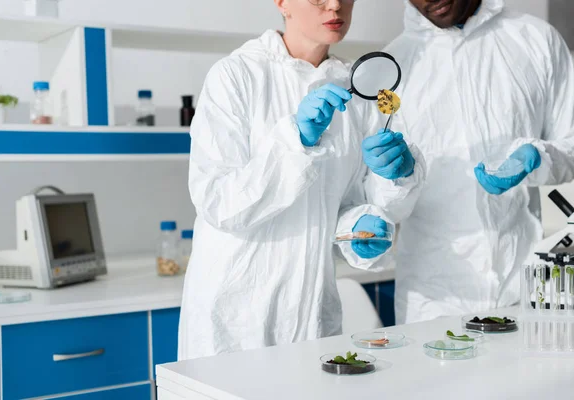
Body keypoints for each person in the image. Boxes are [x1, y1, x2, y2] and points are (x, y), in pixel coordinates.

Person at [178, 0, 425, 360]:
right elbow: (218, 202)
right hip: (234, 318)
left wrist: (365, 222)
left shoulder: (355, 91)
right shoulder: (236, 76)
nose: (335, 6)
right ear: (282, 3)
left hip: (312, 315)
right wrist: (296, 141)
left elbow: (347, 202)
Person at [369, 0, 574, 324]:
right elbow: (376, 194)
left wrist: (539, 158)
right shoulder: (389, 69)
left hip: (525, 286)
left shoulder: (536, 39)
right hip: (434, 301)